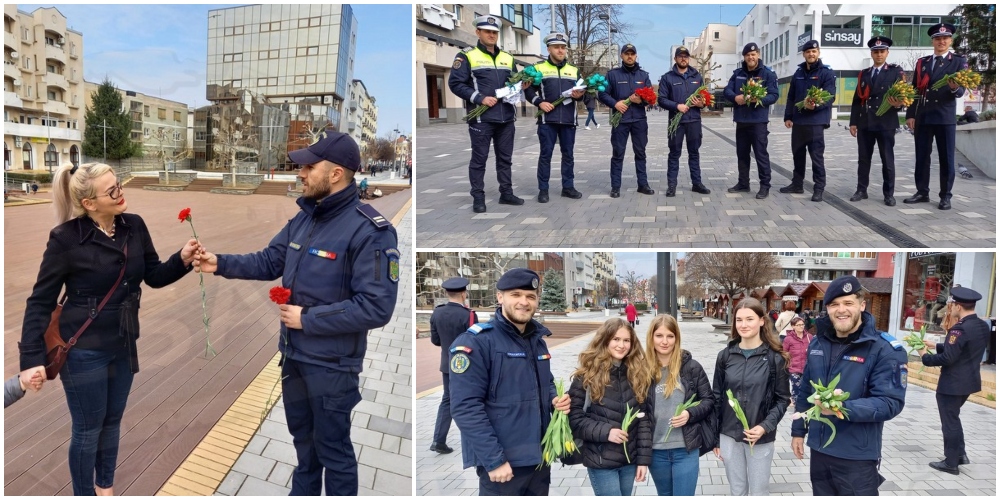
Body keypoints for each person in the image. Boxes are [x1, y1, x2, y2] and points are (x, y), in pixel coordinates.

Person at [195, 131, 399, 496]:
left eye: (308, 166)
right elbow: (271, 259)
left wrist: (308, 319)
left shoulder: (370, 231)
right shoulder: (306, 217)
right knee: (305, 448)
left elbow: (377, 306)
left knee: (334, 452)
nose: (300, 173)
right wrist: (218, 263)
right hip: (294, 358)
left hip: (332, 367)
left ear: (335, 173)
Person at [19, 162, 199, 495]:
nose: (120, 193)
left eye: (119, 185)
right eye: (112, 190)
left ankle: (105, 487)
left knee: (112, 422)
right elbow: (40, 302)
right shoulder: (66, 239)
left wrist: (183, 259)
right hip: (84, 349)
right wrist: (31, 358)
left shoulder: (134, 225)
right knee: (88, 430)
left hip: (123, 341)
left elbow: (155, 275)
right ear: (89, 203)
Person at [448, 268, 571, 495]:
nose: (524, 302)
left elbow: (547, 383)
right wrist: (494, 460)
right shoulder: (476, 343)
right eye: (516, 295)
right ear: (500, 297)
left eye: (530, 296)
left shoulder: (537, 340)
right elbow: (465, 407)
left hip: (539, 458)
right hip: (503, 465)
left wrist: (554, 399)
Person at [790, 276, 908, 495]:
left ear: (862, 305)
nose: (841, 310)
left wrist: (840, 408)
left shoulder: (884, 348)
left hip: (857, 456)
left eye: (848, 303)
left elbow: (890, 402)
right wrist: (798, 431)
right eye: (834, 304)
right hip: (820, 450)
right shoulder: (818, 342)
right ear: (827, 308)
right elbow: (806, 389)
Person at [712, 297, 790, 496]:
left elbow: (782, 399)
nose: (743, 325)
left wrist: (764, 426)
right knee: (737, 490)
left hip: (760, 436)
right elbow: (717, 397)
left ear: (762, 320)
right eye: (739, 320)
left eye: (749, 319)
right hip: (729, 434)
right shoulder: (725, 356)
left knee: (759, 491)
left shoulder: (775, 358)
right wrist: (716, 438)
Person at [448, 14, 526, 213]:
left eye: (494, 32)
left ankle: (506, 193)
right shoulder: (466, 56)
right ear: (478, 32)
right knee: (479, 159)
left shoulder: (508, 58)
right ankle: (478, 197)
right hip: (481, 118)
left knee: (505, 158)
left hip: (507, 117)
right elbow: (455, 84)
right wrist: (479, 98)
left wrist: (521, 86)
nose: (492, 35)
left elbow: (514, 84)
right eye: (488, 32)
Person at [568, 318, 652, 496]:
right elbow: (575, 419)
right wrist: (607, 432)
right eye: (616, 339)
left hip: (629, 460)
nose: (621, 345)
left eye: (626, 340)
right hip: (601, 460)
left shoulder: (637, 374)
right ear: (604, 340)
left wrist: (643, 460)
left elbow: (643, 419)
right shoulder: (587, 376)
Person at [918, 286, 989, 475]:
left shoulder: (958, 329)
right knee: (954, 418)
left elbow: (948, 358)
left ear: (957, 306)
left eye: (952, 305)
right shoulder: (982, 325)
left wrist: (925, 356)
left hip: (952, 384)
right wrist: (938, 345)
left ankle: (951, 463)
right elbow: (964, 349)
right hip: (969, 381)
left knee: (949, 422)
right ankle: (960, 455)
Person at [644, 314, 714, 496]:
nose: (665, 341)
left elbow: (708, 400)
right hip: (656, 450)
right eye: (659, 336)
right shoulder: (642, 370)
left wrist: (690, 414)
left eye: (670, 336)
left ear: (677, 338)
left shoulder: (691, 368)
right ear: (651, 337)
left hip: (685, 449)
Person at [904, 23, 968, 211]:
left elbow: (961, 91)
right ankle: (922, 191)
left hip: (944, 117)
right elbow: (915, 89)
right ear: (932, 41)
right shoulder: (922, 62)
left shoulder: (958, 61)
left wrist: (955, 87)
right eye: (937, 38)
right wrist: (910, 114)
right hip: (923, 116)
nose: (941, 41)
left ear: (950, 40)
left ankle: (945, 195)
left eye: (945, 38)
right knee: (922, 157)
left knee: (946, 158)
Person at [524, 32, 585, 203]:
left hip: (568, 120)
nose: (560, 50)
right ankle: (543, 189)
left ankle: (568, 187)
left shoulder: (573, 70)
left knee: (568, 155)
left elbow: (582, 94)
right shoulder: (538, 69)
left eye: (563, 47)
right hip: (547, 120)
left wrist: (579, 95)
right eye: (557, 47)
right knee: (546, 155)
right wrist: (539, 102)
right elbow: (528, 90)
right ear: (549, 48)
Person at [849, 36, 906, 207]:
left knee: (887, 159)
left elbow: (902, 97)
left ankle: (889, 193)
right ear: (871, 53)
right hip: (866, 122)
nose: (879, 54)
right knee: (863, 159)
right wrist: (853, 122)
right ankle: (861, 190)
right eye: (875, 52)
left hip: (886, 122)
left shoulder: (896, 72)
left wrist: (899, 105)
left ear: (887, 53)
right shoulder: (864, 74)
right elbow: (857, 99)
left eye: (882, 51)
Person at [781, 40, 836, 202]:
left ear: (818, 53)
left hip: (815, 122)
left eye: (814, 51)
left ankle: (819, 188)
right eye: (808, 52)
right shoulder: (798, 73)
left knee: (816, 157)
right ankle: (797, 184)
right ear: (803, 54)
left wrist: (816, 106)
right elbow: (791, 97)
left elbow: (830, 96)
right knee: (797, 155)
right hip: (798, 122)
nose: (811, 54)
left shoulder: (826, 72)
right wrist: (788, 116)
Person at [599, 43, 656, 198]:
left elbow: (651, 97)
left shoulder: (643, 76)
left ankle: (642, 184)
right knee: (618, 153)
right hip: (620, 121)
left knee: (641, 152)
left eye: (632, 53)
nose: (630, 56)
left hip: (639, 121)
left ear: (636, 56)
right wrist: (615, 104)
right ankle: (615, 186)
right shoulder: (612, 75)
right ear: (621, 56)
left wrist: (641, 102)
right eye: (626, 53)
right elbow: (602, 94)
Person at [724, 43, 779, 200]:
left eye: (753, 54)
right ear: (744, 57)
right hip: (741, 120)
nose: (751, 57)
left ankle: (764, 186)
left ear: (758, 55)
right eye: (748, 55)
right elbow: (727, 90)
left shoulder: (767, 74)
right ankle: (743, 183)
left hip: (758, 122)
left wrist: (759, 99)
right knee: (742, 154)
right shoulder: (738, 73)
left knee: (761, 154)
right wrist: (735, 97)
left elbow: (774, 95)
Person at [428, 277, 476, 454]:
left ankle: (438, 440)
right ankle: (474, 441)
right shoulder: (468, 315)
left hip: (447, 365)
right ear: (464, 293)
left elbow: (435, 340)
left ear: (447, 293)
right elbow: (474, 342)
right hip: (468, 366)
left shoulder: (437, 313)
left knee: (447, 400)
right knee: (472, 401)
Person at [657, 46, 712, 197]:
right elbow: (661, 99)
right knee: (674, 153)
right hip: (676, 122)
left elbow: (704, 98)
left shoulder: (697, 76)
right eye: (680, 56)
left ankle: (697, 183)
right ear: (675, 59)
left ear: (689, 58)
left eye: (686, 56)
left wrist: (702, 104)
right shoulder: (667, 78)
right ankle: (672, 185)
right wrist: (677, 106)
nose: (683, 58)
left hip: (694, 121)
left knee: (694, 153)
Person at [782, 317, 811, 406]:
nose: (801, 327)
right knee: (796, 387)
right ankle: (797, 405)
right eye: (798, 325)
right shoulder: (788, 339)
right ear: (793, 326)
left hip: (807, 367)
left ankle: (804, 404)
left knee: (806, 387)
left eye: (802, 324)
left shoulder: (809, 337)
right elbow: (784, 352)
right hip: (794, 367)